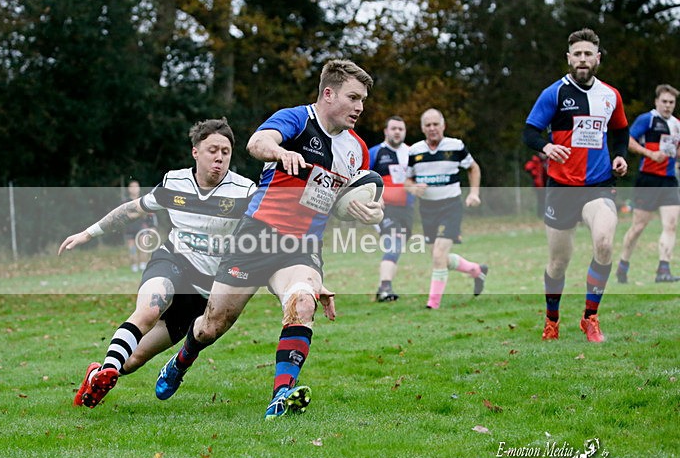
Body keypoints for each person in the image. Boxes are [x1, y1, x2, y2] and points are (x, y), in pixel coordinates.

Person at [154, 59, 382, 420]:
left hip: (302, 246)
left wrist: (367, 212)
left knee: (302, 303)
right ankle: (183, 359)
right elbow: (257, 142)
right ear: (328, 93)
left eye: (363, 100)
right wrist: (281, 152)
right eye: (353, 97)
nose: (360, 107)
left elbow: (341, 199)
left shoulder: (357, 150)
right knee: (212, 325)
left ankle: (281, 395)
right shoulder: (296, 120)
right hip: (257, 236)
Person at [59, 118, 256, 408]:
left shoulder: (245, 191)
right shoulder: (174, 182)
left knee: (135, 360)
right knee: (149, 310)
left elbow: (272, 228)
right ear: (195, 152)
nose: (219, 157)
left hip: (203, 292)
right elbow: (133, 210)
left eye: (225, 152)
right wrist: (89, 233)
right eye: (213, 149)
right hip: (172, 262)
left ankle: (99, 375)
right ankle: (109, 370)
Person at [522, 28, 629, 343]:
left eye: (588, 54)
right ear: (569, 58)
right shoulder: (554, 93)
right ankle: (552, 320)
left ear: (598, 58)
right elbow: (529, 132)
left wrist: (620, 156)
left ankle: (590, 317)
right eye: (577, 54)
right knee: (558, 262)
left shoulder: (611, 95)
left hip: (598, 186)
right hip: (561, 187)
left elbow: (620, 131)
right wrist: (546, 148)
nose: (583, 59)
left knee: (605, 244)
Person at [405, 108, 487, 310]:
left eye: (436, 124)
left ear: (443, 126)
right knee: (438, 257)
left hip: (450, 206)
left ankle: (433, 304)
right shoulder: (415, 151)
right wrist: (414, 188)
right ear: (422, 128)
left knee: (439, 256)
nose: (432, 128)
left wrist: (474, 193)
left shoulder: (456, 146)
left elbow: (473, 167)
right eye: (428, 125)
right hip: (427, 209)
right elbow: (407, 180)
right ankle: (477, 270)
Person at [616, 84, 680, 283]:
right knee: (638, 227)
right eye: (664, 102)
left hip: (669, 180)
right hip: (648, 179)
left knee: (670, 225)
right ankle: (623, 265)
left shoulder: (677, 124)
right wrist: (649, 153)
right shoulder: (647, 119)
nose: (668, 106)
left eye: (671, 102)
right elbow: (628, 140)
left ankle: (663, 270)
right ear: (657, 102)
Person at [369, 116, 414, 302]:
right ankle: (386, 287)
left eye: (401, 129)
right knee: (394, 242)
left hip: (407, 210)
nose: (397, 132)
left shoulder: (413, 153)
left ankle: (383, 287)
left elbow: (418, 179)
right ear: (386, 131)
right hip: (384, 209)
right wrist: (374, 199)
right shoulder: (375, 153)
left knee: (396, 248)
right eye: (393, 128)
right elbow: (362, 179)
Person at [122, 180, 151, 272]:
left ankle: (143, 266)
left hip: (142, 228)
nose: (134, 188)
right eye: (132, 186)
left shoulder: (144, 200)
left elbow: (150, 214)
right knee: (132, 250)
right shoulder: (125, 202)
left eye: (136, 186)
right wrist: (139, 213)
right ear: (129, 189)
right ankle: (134, 266)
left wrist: (152, 226)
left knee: (143, 247)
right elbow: (126, 215)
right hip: (130, 229)